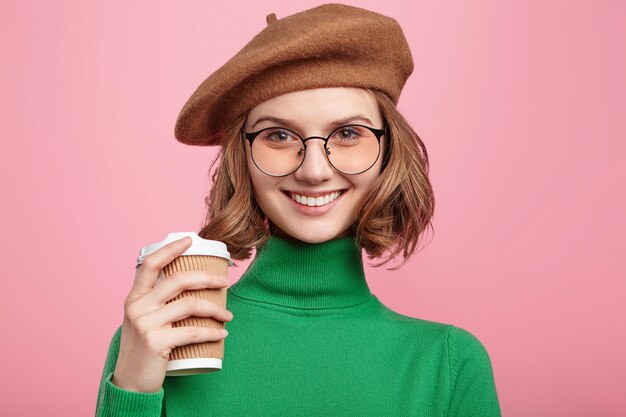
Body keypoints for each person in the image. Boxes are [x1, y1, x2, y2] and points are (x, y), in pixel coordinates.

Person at [95, 4, 502, 416]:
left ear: (387, 150)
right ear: (242, 155)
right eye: (279, 135)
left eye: (347, 133)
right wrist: (132, 390)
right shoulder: (159, 342)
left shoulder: (448, 364)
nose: (313, 170)